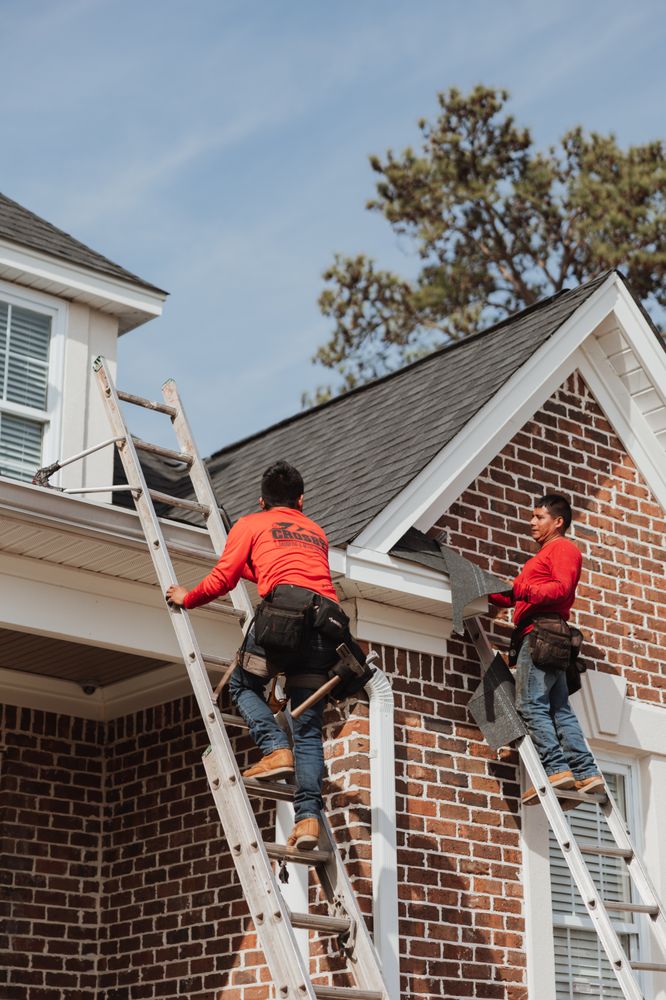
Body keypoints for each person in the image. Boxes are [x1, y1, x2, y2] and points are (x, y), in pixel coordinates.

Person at [166, 460, 369, 848]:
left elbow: (223, 579)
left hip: (281, 626)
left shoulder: (250, 524)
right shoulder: (316, 531)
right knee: (308, 731)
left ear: (262, 501)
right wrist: (249, 566)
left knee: (243, 684)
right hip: (324, 627)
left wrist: (187, 597)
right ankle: (308, 819)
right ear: (302, 500)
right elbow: (289, 572)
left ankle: (275, 749)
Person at [490, 494, 603, 805]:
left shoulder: (562, 549)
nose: (532, 522)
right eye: (532, 517)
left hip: (540, 634)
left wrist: (519, 589)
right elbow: (516, 595)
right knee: (558, 708)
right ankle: (584, 772)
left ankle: (556, 768)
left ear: (558, 522)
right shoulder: (539, 558)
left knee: (530, 705)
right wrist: (490, 590)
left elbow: (561, 589)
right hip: (546, 635)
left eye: (538, 517)